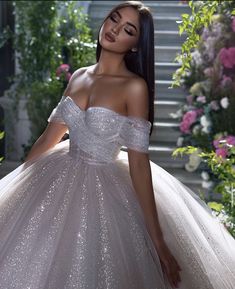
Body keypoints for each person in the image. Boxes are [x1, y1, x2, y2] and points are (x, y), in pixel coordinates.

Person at [0, 1, 234, 288]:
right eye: (114, 19)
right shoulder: (79, 76)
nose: (114, 29)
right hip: (61, 171)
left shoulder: (133, 87)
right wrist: (17, 187)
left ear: (135, 45)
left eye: (128, 29)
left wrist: (158, 241)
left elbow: (138, 162)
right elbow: (50, 137)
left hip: (104, 188)